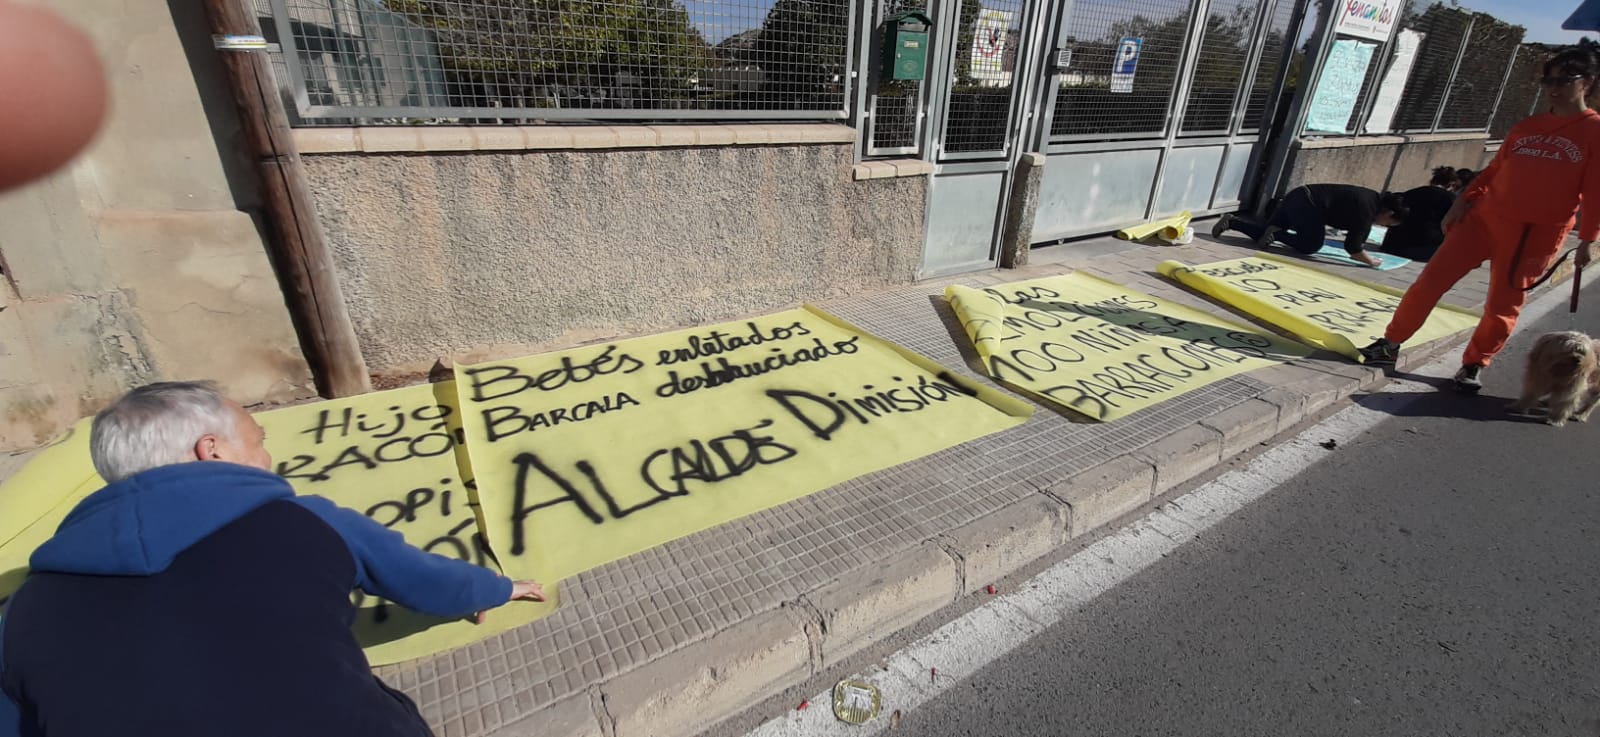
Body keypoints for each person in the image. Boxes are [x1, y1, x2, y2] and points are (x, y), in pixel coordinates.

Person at [0, 382, 545, 736]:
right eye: (257, 440)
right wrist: (496, 588)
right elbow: (423, 579)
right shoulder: (309, 520)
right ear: (211, 450)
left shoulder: (18, 616)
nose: (269, 457)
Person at [1359, 47, 1600, 393]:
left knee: (1502, 305)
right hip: (1483, 221)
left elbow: (1595, 192)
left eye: (1565, 80)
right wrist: (1462, 201)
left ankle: (1473, 364)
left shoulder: (1594, 132)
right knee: (1429, 282)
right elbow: (1495, 169)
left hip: (1534, 234)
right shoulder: (1528, 126)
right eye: (1549, 80)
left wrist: (1589, 240)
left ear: (1588, 82)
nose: (1554, 87)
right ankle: (1389, 344)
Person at [1212, 184, 1409, 268]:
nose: (1385, 227)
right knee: (1311, 245)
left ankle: (1232, 222)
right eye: (1389, 224)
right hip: (1308, 205)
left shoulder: (1371, 199)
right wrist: (1371, 261)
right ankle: (1279, 235)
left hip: (1298, 196)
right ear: (1390, 214)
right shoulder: (1367, 212)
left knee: (1265, 235)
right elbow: (1354, 249)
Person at [1378, 166, 1459, 262]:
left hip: (1392, 245)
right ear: (1450, 184)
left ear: (1432, 180)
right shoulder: (1451, 200)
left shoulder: (1413, 192)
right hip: (1422, 249)